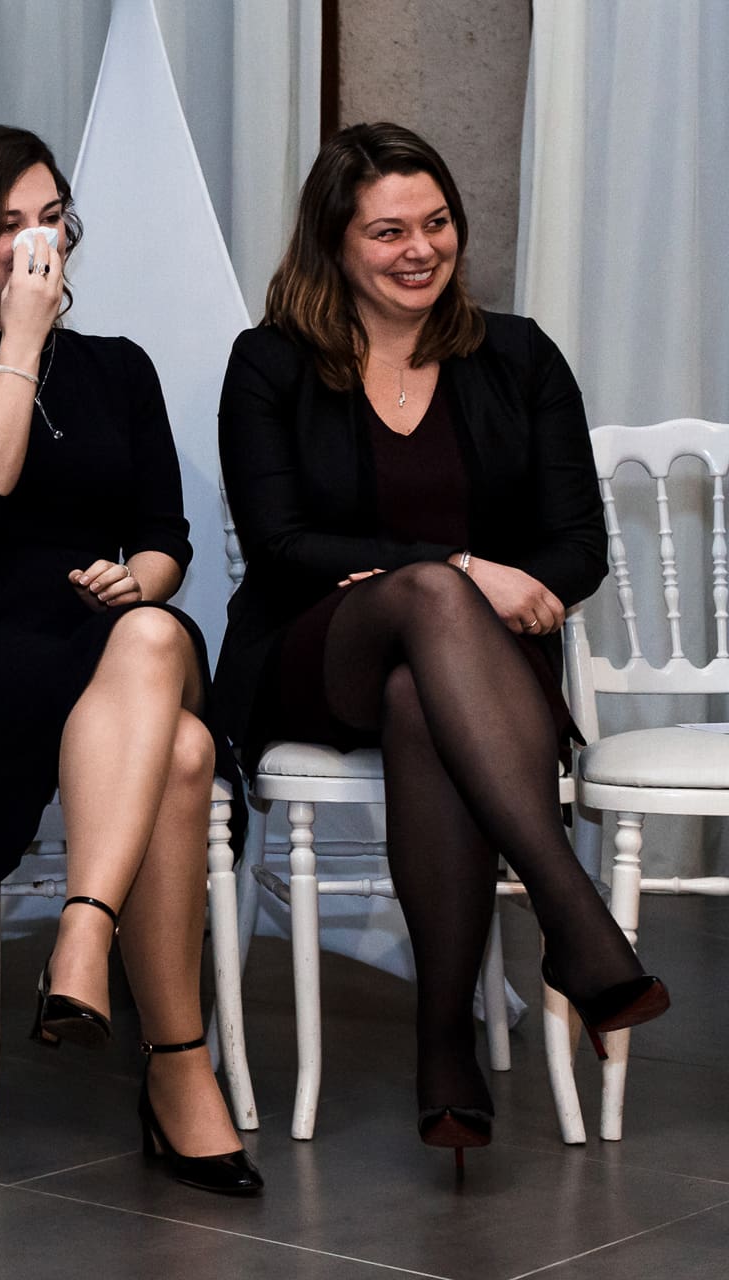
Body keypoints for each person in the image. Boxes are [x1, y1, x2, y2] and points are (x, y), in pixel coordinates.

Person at [214, 121, 669, 1160]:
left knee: (428, 693)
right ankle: (573, 916)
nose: (421, 248)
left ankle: (444, 1052)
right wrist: (464, 570)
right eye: (388, 231)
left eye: (437, 223)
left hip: (475, 676)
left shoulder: (516, 355)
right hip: (315, 652)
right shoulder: (270, 364)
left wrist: (492, 588)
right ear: (334, 241)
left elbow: (578, 546)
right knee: (427, 594)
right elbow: (284, 547)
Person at [0, 124, 261, 1196]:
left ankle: (82, 936)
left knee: (147, 629)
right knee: (182, 755)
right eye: (6, 225)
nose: (37, 243)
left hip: (117, 627)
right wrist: (21, 344)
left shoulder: (121, 368)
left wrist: (138, 578)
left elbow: (167, 539)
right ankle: (179, 1071)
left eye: (50, 218)